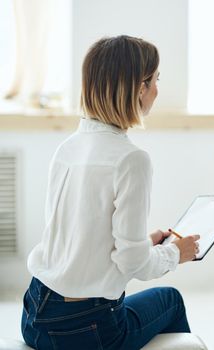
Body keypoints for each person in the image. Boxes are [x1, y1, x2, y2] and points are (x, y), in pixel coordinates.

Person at [21, 35, 200, 350]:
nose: (158, 89)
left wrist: (145, 244)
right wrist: (175, 253)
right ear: (139, 88)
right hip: (86, 328)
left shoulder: (68, 147)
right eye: (156, 80)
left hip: (35, 313)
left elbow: (80, 241)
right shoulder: (131, 159)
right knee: (170, 299)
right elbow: (135, 265)